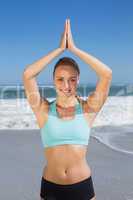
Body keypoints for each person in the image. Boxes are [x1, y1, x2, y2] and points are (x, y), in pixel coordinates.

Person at [23, 19, 112, 200]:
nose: (66, 85)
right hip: (51, 188)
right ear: (53, 81)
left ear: (78, 80)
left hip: (82, 187)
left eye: (72, 79)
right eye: (60, 79)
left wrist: (74, 49)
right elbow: (28, 74)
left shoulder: (88, 109)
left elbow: (106, 74)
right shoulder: (43, 110)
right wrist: (59, 49)